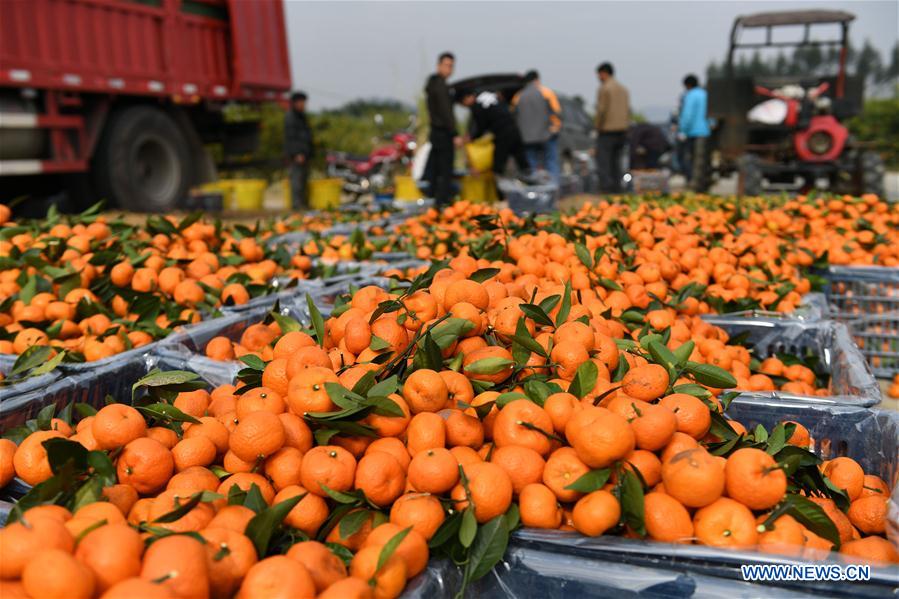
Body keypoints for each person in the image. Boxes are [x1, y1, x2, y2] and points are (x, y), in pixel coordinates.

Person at [460, 89, 530, 177]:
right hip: (514, 129)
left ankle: (500, 186)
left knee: (498, 164)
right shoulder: (491, 97)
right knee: (521, 160)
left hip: (502, 134)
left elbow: (481, 126)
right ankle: (530, 180)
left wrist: (472, 138)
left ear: (468, 97)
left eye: (463, 102)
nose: (464, 105)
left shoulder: (477, 106)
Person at [511, 70, 561, 182]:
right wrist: (555, 128)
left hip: (527, 138)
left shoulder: (518, 97)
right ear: (537, 80)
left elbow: (514, 116)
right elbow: (557, 112)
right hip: (547, 135)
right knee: (551, 162)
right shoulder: (547, 92)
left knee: (531, 165)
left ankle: (536, 191)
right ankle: (553, 189)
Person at [424, 52, 460, 207]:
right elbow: (446, 112)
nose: (449, 69)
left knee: (436, 168)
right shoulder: (440, 86)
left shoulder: (433, 84)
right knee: (445, 169)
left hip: (436, 132)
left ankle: (435, 200)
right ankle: (442, 202)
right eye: (446, 65)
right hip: (443, 132)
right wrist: (455, 133)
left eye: (451, 66)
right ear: (439, 66)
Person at [595, 62, 630, 193]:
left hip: (607, 130)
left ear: (604, 73)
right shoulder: (623, 89)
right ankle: (618, 187)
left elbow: (602, 110)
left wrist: (597, 126)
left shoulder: (605, 88)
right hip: (622, 130)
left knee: (604, 161)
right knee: (617, 161)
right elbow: (628, 110)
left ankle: (606, 187)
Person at [678, 74, 711, 188]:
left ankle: (694, 183)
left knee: (691, 159)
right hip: (706, 131)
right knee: (703, 159)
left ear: (688, 85)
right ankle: (704, 181)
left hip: (693, 131)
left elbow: (687, 115)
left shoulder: (690, 95)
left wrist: (683, 130)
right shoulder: (705, 94)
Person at [284, 91, 313, 210]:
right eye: (301, 102)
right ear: (295, 103)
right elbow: (291, 137)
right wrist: (297, 153)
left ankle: (303, 204)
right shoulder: (291, 117)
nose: (303, 105)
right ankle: (296, 204)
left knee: (304, 179)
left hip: (304, 154)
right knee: (297, 180)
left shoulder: (301, 116)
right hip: (297, 155)